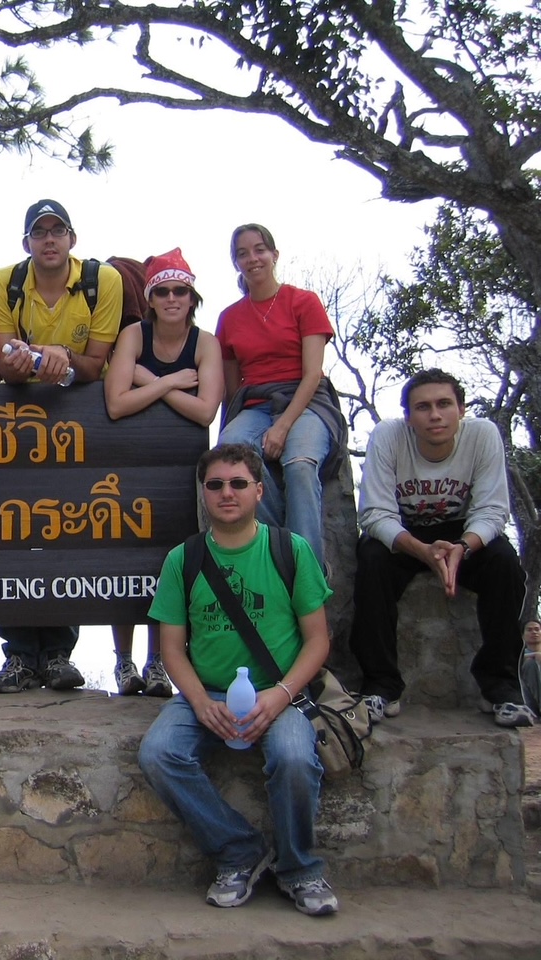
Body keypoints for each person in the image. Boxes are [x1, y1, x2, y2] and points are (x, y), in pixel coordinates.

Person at [138, 444, 339, 917]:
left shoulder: (290, 550)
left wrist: (282, 695)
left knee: (294, 758)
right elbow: (172, 649)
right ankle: (239, 851)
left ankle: (299, 869)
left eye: (238, 483)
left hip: (280, 692)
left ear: (258, 491)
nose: (226, 493)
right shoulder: (183, 559)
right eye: (215, 485)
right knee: (159, 753)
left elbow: (317, 641)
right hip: (206, 692)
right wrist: (200, 703)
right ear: (204, 493)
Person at [0, 199, 123, 693]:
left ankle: (59, 654)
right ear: (26, 243)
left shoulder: (103, 281)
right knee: (12, 530)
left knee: (68, 530)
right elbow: (5, 362)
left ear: (72, 239)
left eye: (57, 231)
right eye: (39, 232)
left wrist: (59, 356)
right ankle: (19, 656)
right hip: (16, 422)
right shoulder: (3, 282)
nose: (48, 240)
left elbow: (96, 364)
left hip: (77, 422)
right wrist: (33, 360)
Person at [349, 369, 531, 727]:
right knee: (371, 560)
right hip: (404, 534)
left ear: (461, 410)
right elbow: (374, 513)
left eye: (444, 404)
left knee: (504, 563)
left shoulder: (482, 435)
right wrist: (421, 550)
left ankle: (501, 687)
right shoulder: (388, 436)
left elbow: (492, 510)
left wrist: (462, 547)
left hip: (462, 533)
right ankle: (381, 685)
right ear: (408, 417)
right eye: (423, 407)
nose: (435, 415)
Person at [104, 249, 223, 699]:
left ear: (192, 298)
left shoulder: (205, 343)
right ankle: (124, 661)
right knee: (124, 558)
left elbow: (206, 411)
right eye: (163, 291)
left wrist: (149, 382)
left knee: (167, 562)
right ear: (150, 299)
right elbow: (116, 404)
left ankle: (158, 661)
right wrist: (172, 382)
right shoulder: (134, 334)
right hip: (129, 458)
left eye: (180, 291)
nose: (172, 298)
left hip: (180, 466)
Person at [216, 224, 346, 567]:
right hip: (256, 403)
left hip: (306, 400)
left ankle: (307, 571)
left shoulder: (303, 302)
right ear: (235, 262)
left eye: (259, 250)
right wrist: (229, 430)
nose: (252, 258)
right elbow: (232, 388)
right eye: (242, 253)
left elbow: (313, 373)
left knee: (299, 465)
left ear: (274, 255)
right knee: (232, 454)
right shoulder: (229, 317)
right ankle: (279, 550)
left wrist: (283, 426)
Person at [521, 619, 541, 717]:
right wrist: (534, 655)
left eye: (537, 629)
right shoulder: (519, 655)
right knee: (530, 664)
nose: (534, 632)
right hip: (528, 700)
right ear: (523, 635)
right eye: (529, 630)